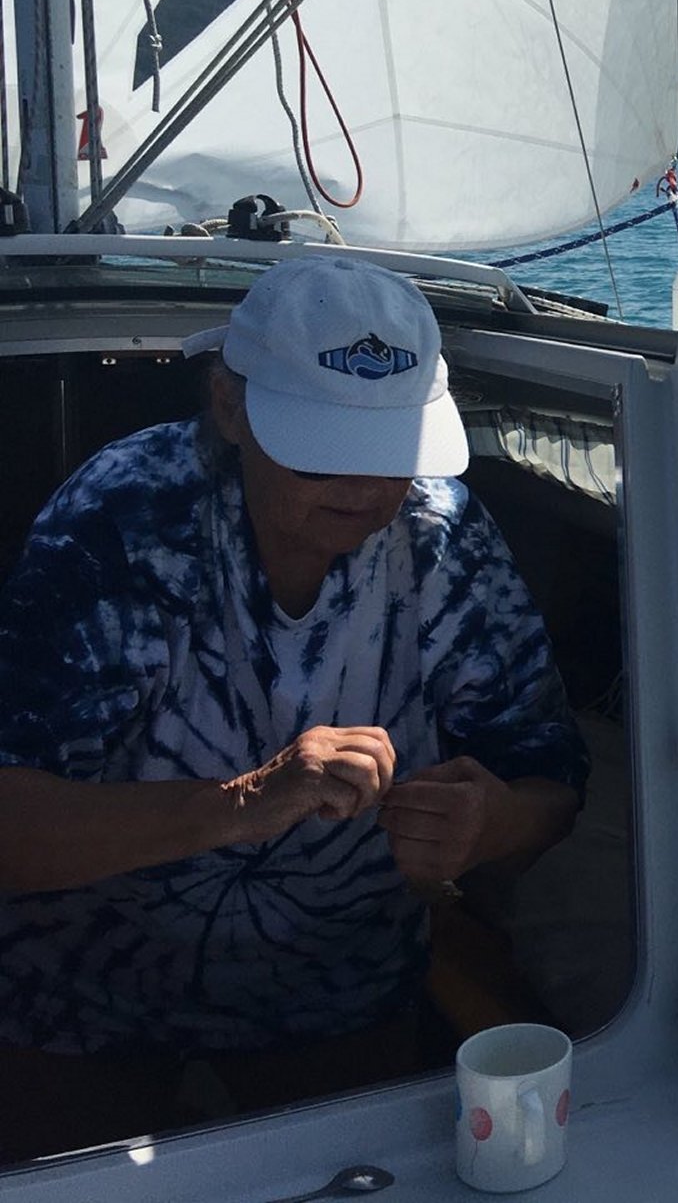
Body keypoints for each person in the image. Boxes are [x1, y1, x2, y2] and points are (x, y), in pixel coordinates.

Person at [0, 254, 588, 1160]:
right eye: (322, 450)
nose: (365, 489)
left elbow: (552, 786)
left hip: (341, 988)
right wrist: (248, 803)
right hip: (80, 993)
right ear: (228, 406)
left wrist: (489, 825)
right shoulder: (121, 523)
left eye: (392, 453)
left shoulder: (443, 534)